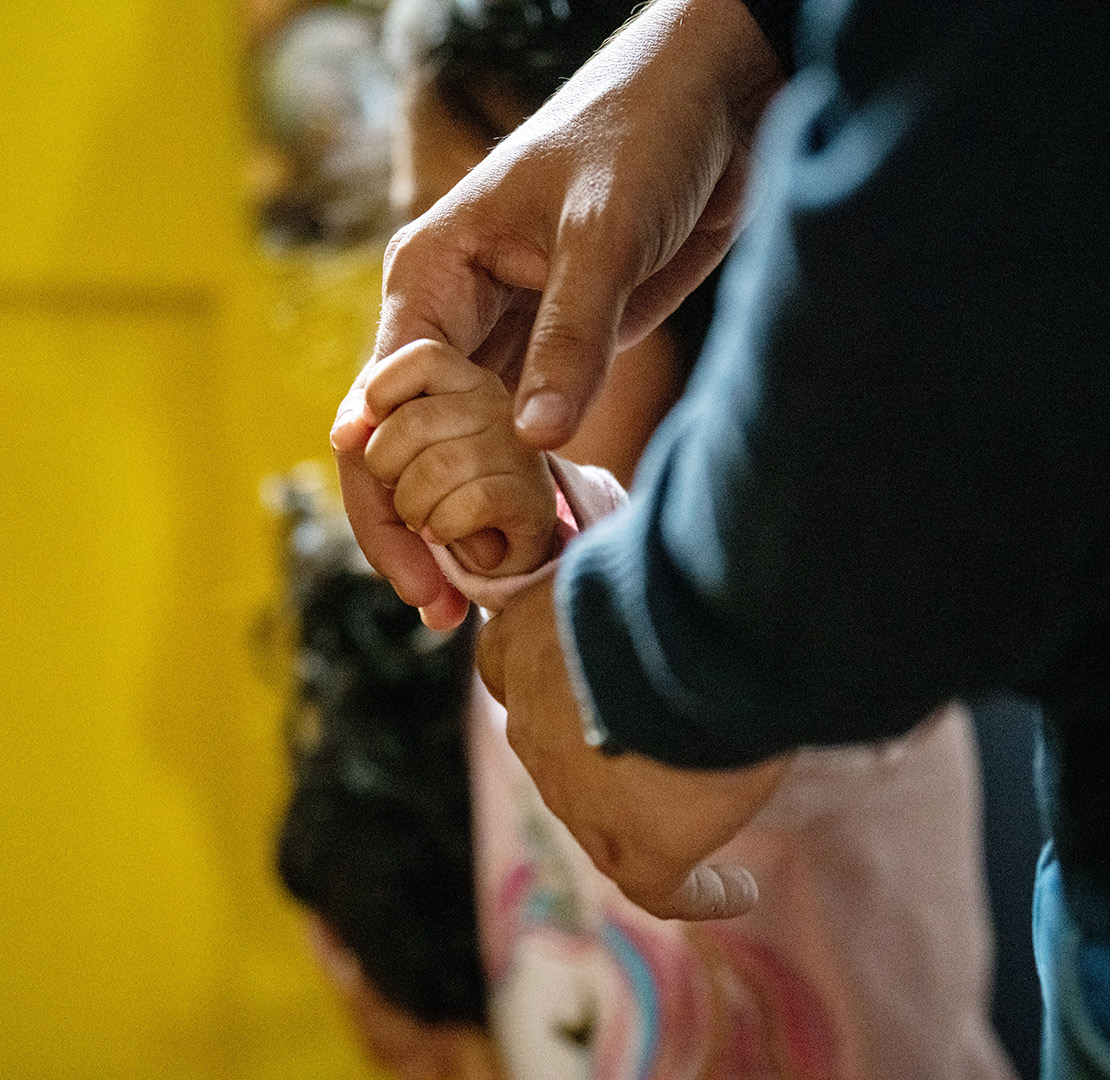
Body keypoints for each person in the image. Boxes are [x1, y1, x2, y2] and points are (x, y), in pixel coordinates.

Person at [331, 1, 1109, 1077]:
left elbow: (760, 620)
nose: (473, 368)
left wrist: (536, 544)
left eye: (525, 294)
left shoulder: (826, 601)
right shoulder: (515, 632)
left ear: (704, 278)